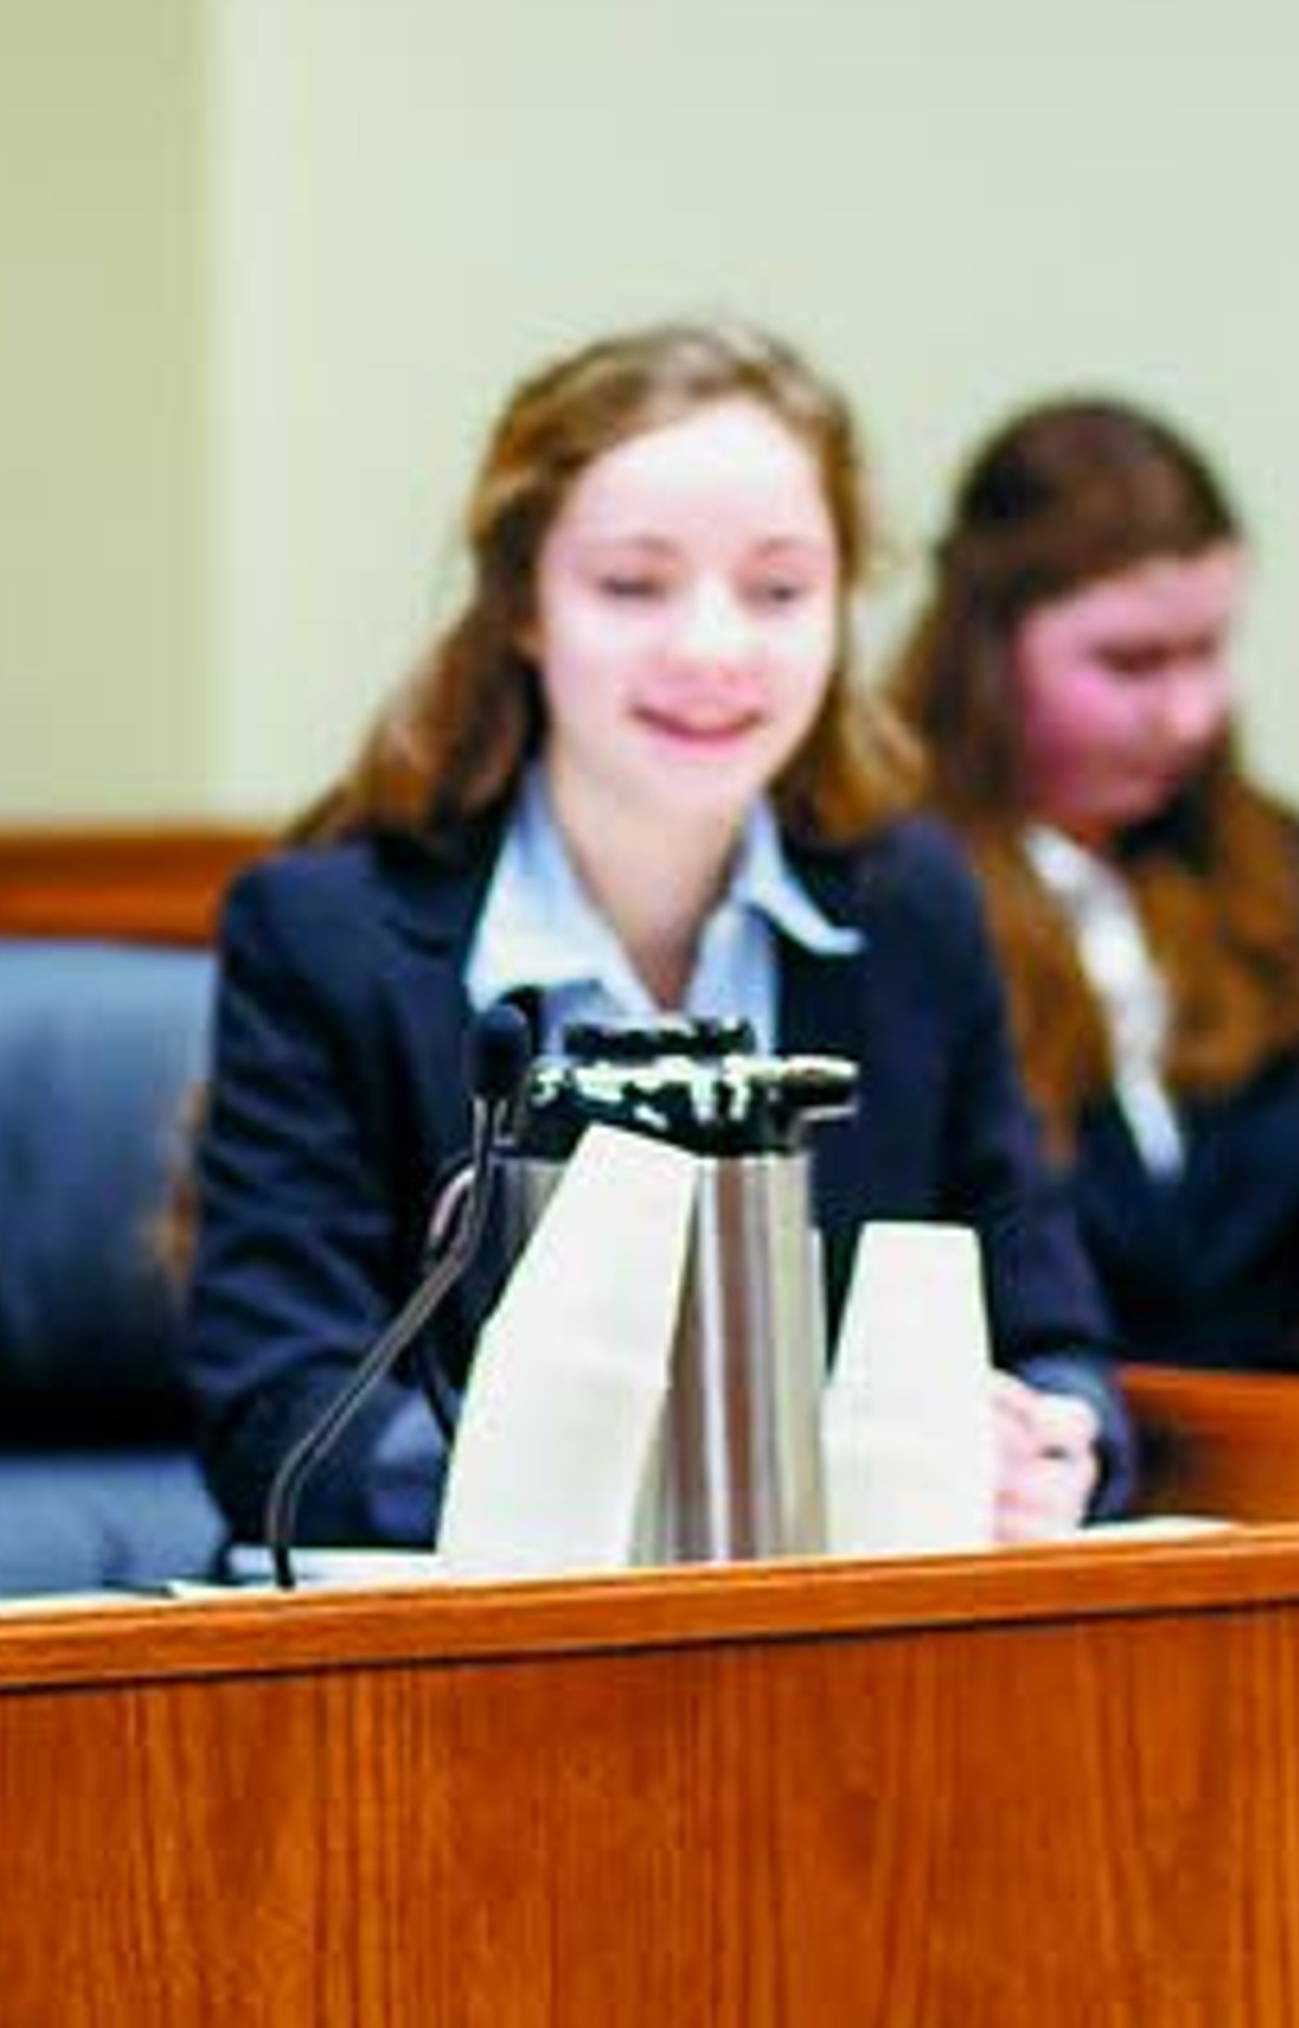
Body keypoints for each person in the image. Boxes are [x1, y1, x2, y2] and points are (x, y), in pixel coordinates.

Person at [183, 319, 1124, 1553]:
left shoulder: (913, 911)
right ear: (522, 604)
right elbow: (275, 1419)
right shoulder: (326, 935)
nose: (714, 648)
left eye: (781, 589)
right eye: (633, 585)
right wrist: (612, 1487)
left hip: (825, 1650)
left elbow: (1052, 1336)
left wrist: (1053, 1447)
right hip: (437, 1666)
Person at [891, 397, 1299, 1377]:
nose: (1188, 713)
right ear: (988, 653)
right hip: (1038, 1466)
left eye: (1211, 650)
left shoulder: (1276, 861)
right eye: (1131, 663)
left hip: (1287, 1466)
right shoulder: (900, 888)